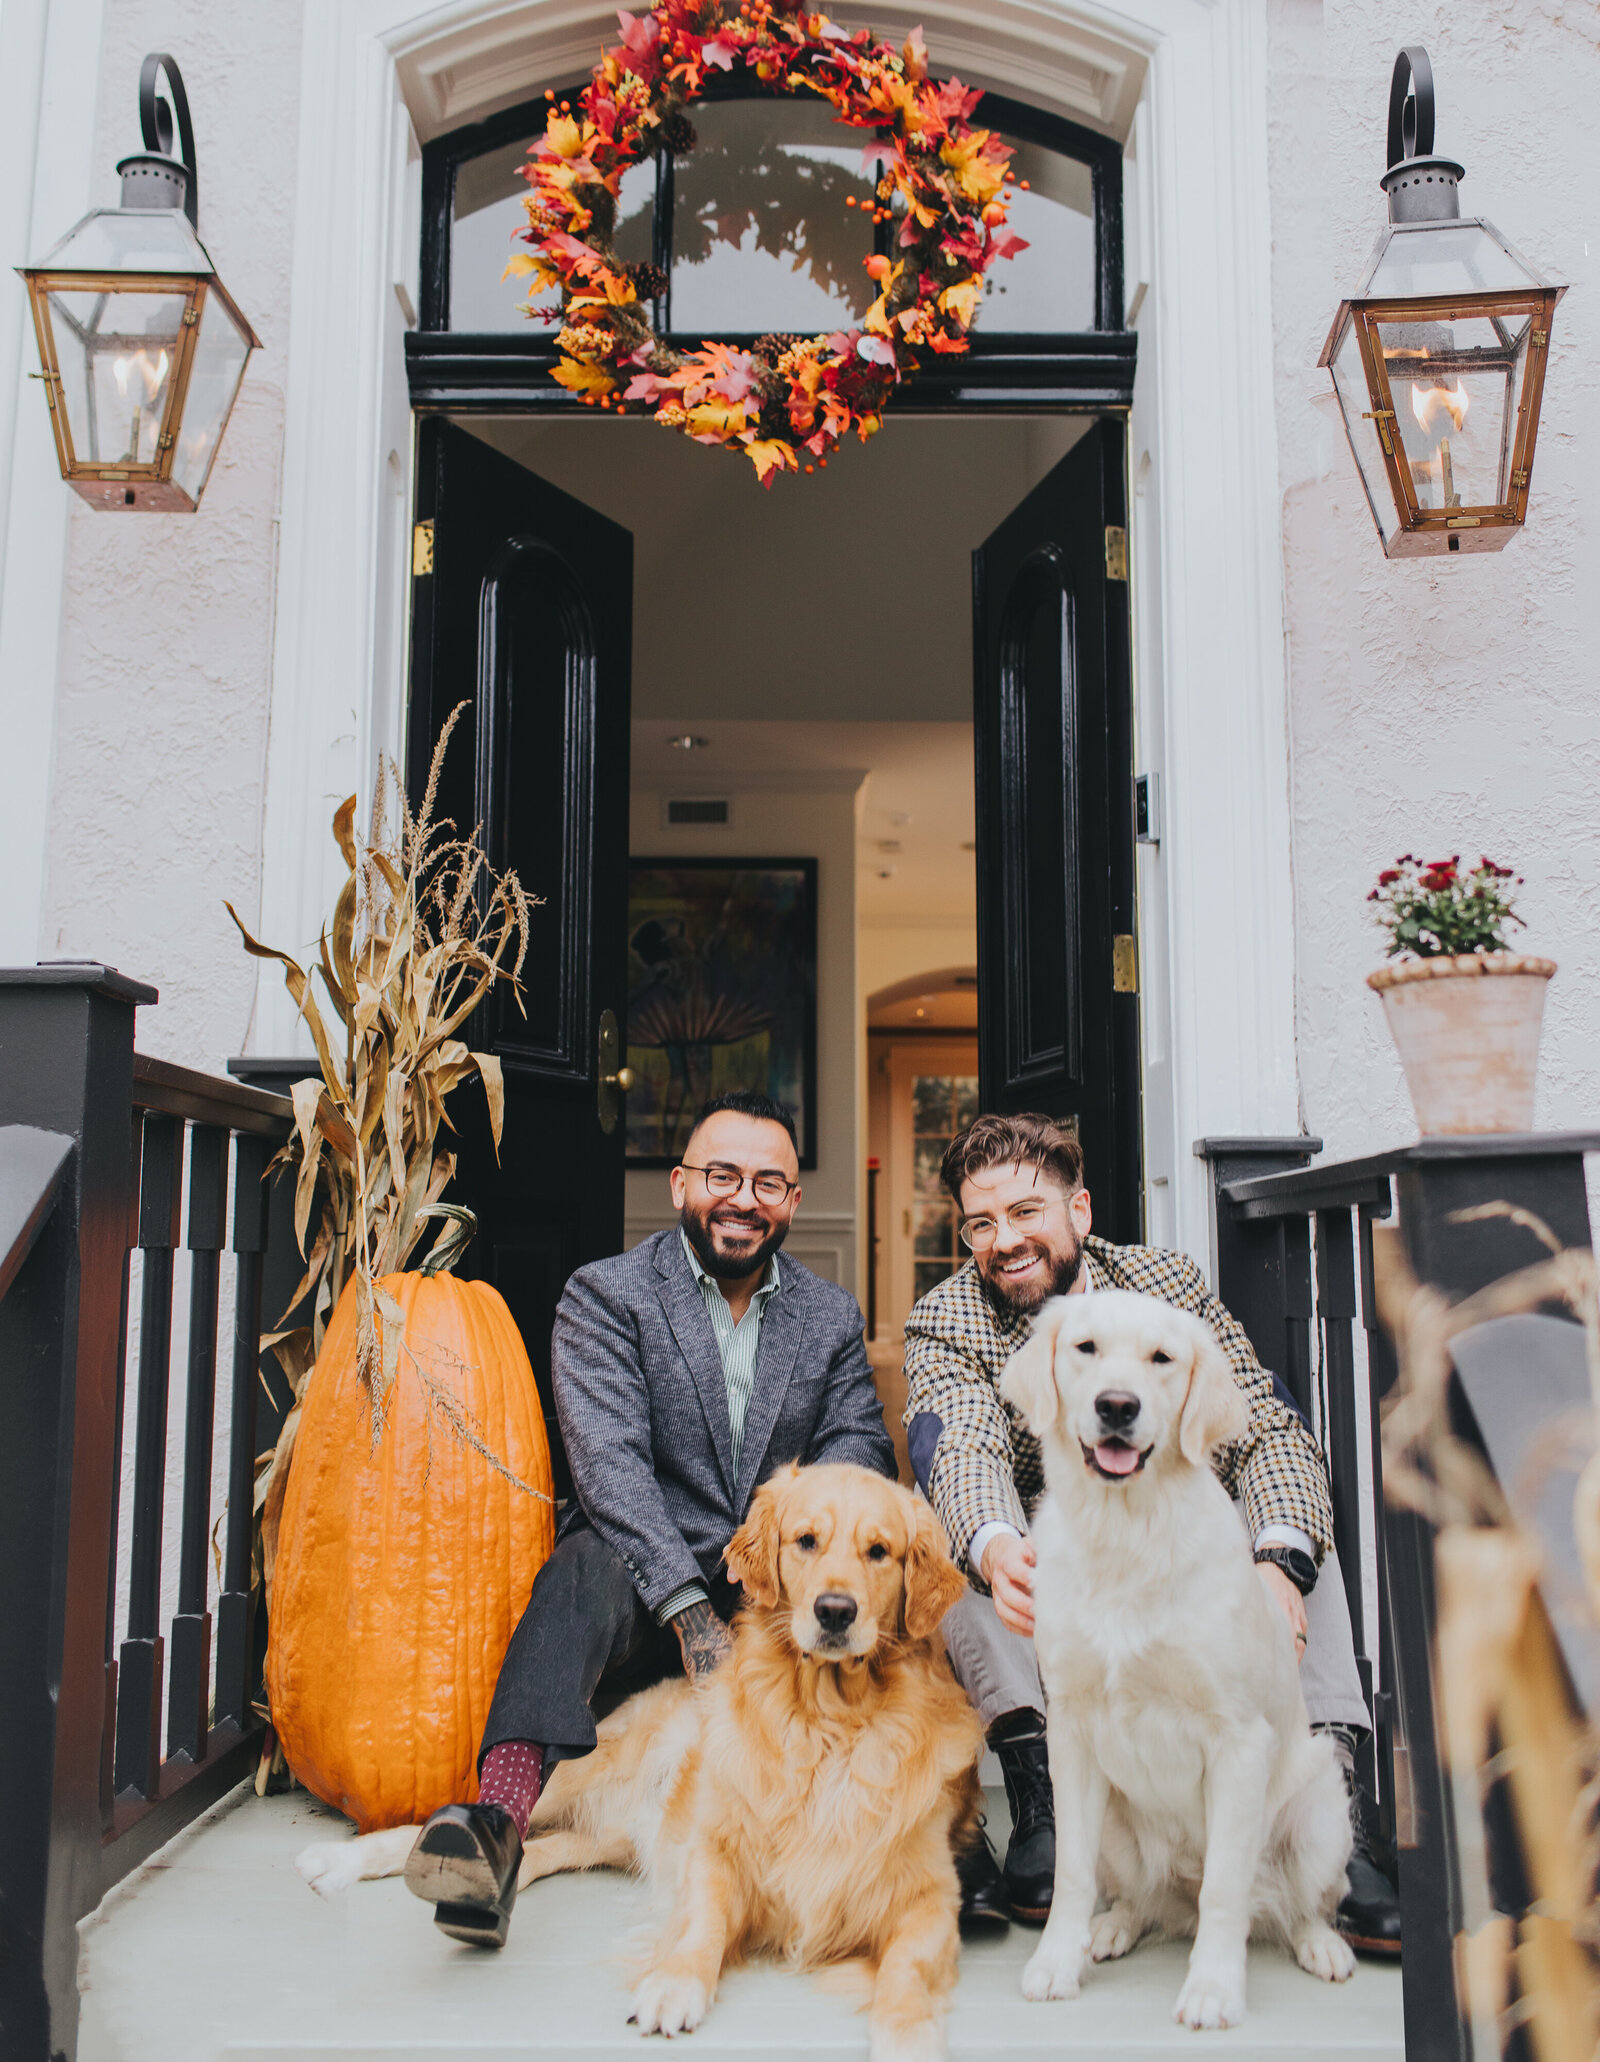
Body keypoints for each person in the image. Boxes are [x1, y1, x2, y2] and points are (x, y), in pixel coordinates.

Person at [403, 1090, 897, 1947]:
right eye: (723, 1176)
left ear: (792, 1202)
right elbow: (610, 1466)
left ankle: (914, 1848)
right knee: (583, 1562)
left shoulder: (829, 1317)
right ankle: (496, 1822)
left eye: (768, 1183)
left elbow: (858, 1457)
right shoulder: (607, 1296)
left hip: (779, 1581)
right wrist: (689, 1610)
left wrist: (785, 1562)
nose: (744, 1199)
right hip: (641, 1573)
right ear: (680, 1186)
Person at [903, 1111, 1401, 1956]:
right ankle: (1042, 1795)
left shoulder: (1167, 1286)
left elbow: (1267, 1432)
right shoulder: (948, 1320)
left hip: (1178, 1550)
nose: (1005, 1241)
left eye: (1027, 1212)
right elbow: (960, 1447)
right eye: (981, 1224)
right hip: (1061, 1565)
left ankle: (1330, 1803)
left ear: (1081, 1212)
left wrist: (1278, 1565)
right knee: (967, 1539)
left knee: (1286, 1513)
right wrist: (991, 1545)